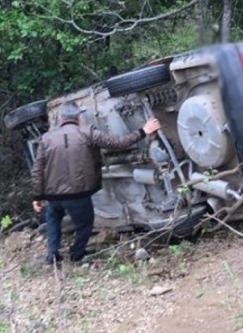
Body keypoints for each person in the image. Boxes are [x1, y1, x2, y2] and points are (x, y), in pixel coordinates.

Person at [31, 101, 162, 264]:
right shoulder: (88, 132)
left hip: (53, 195)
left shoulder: (47, 139)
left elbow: (37, 170)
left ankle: (52, 254)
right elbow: (117, 143)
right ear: (78, 118)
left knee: (53, 219)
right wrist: (143, 131)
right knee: (84, 225)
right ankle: (76, 254)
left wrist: (37, 196)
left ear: (61, 119)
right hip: (78, 194)